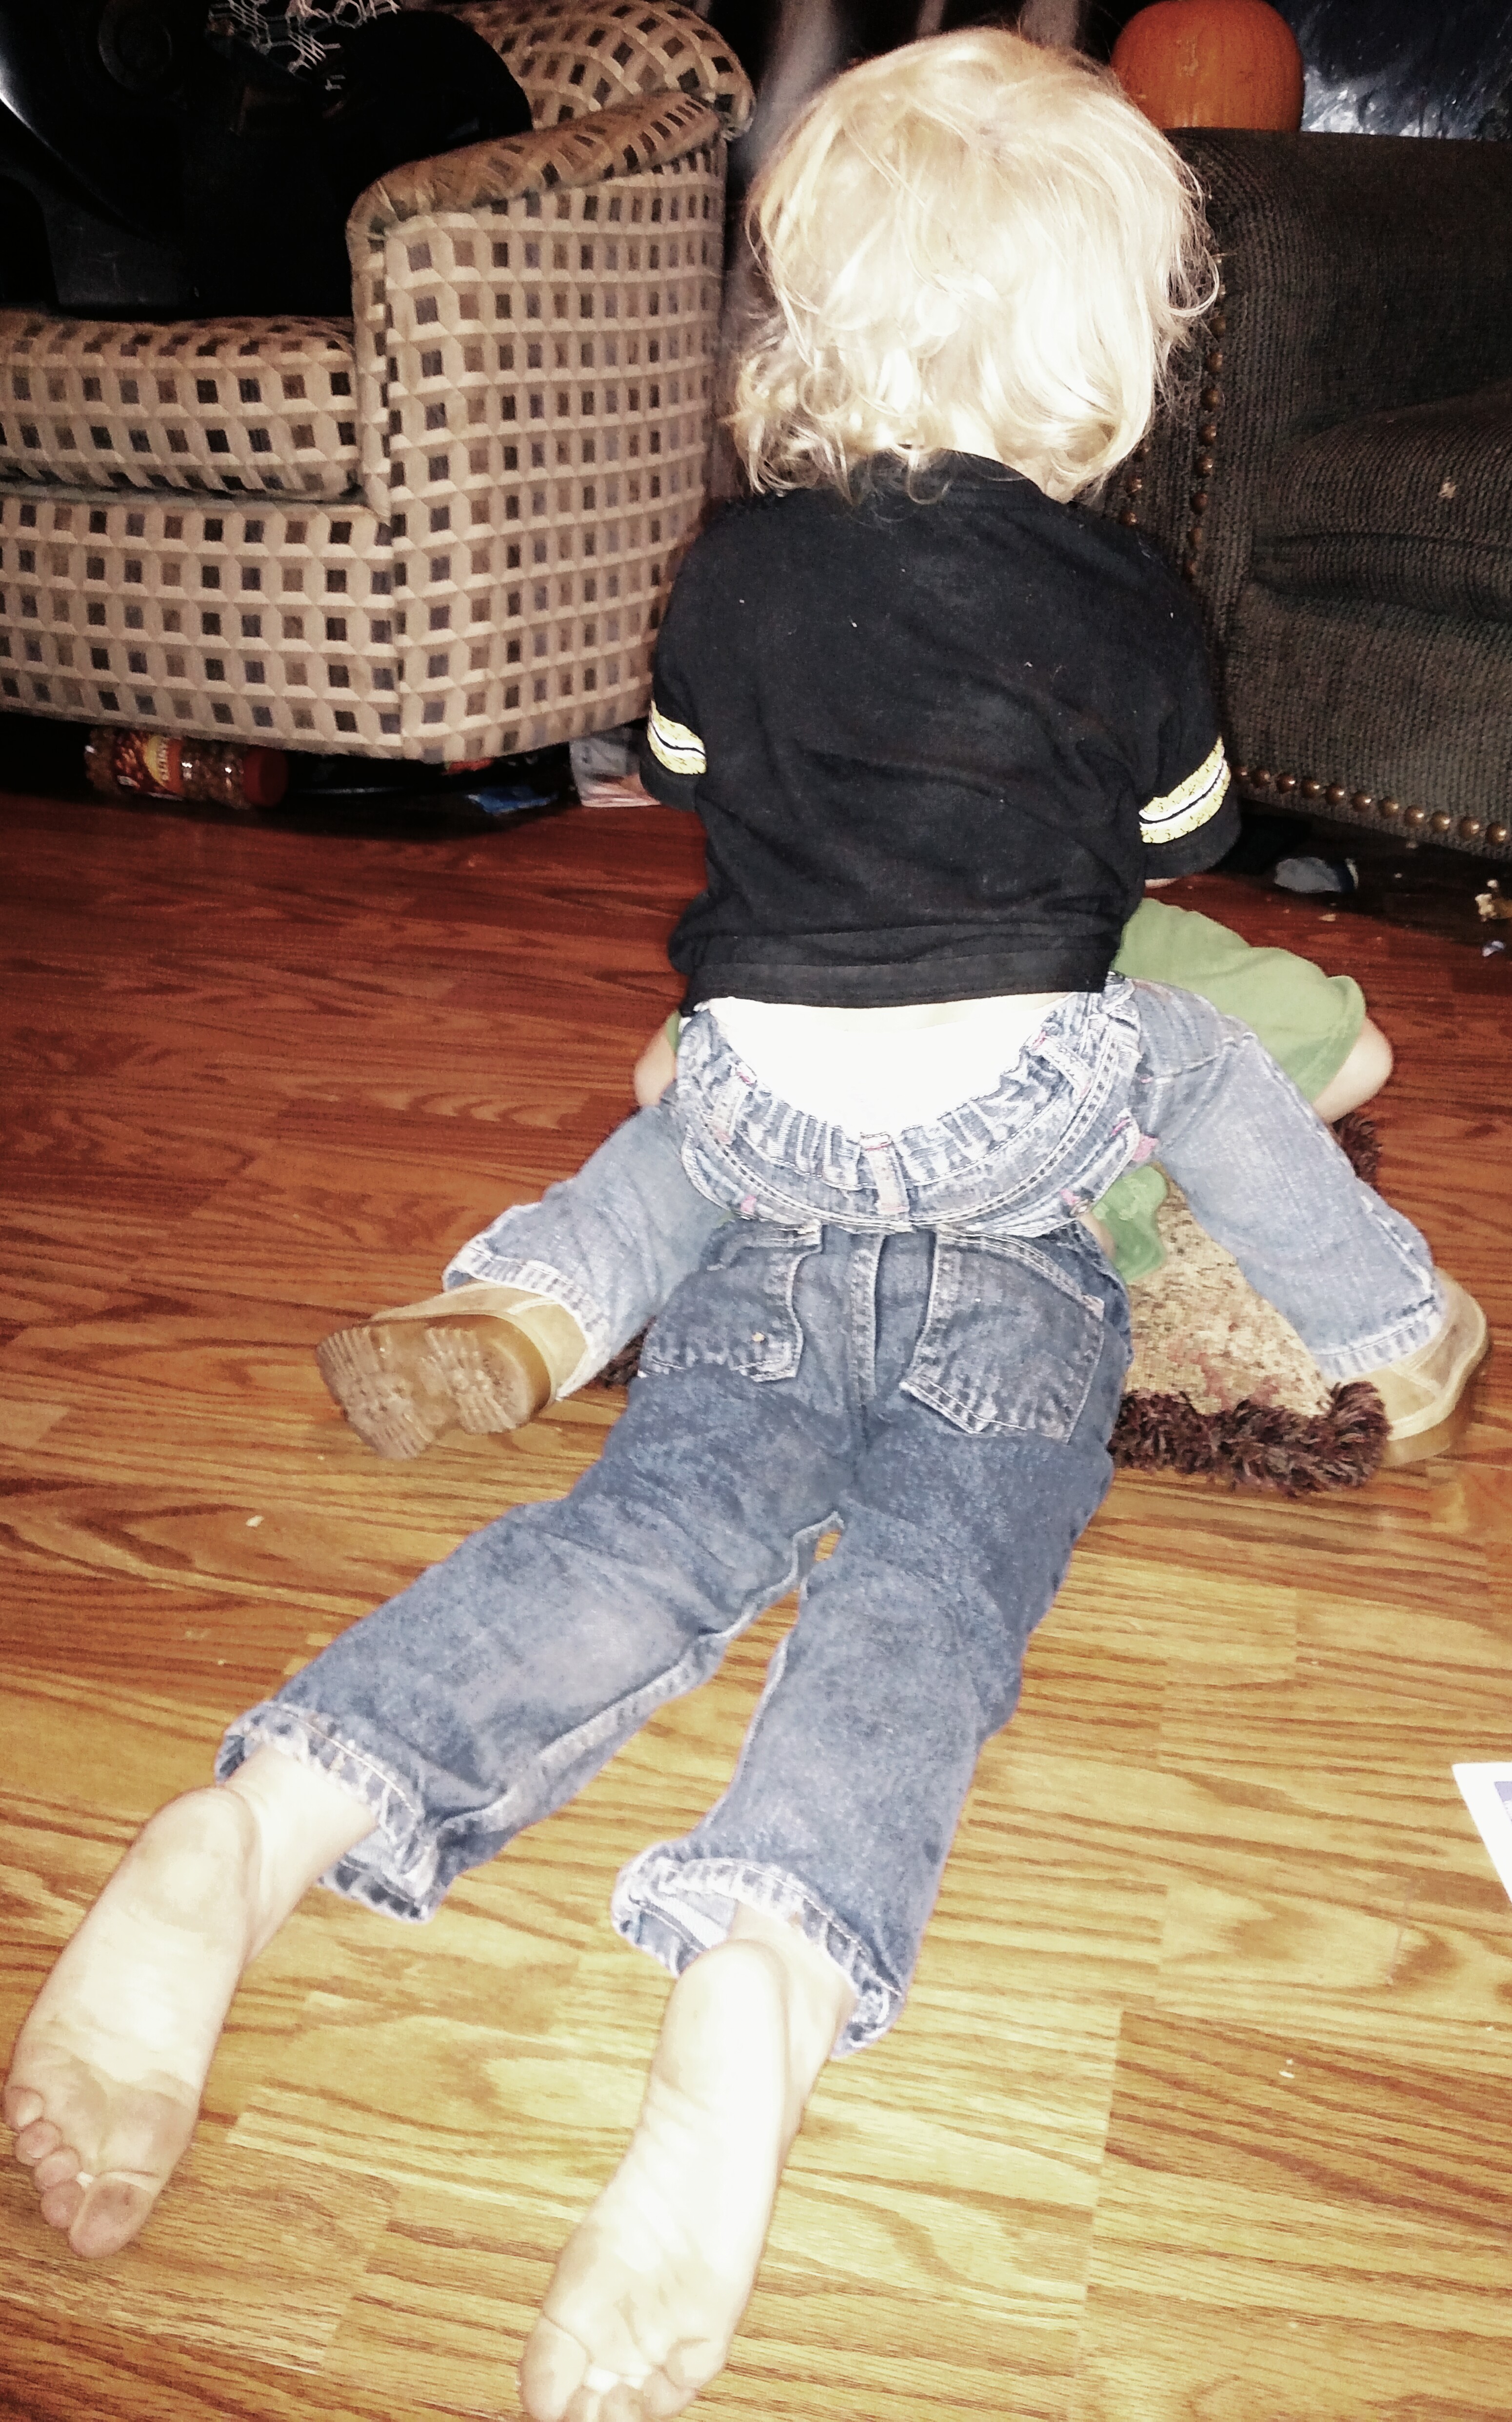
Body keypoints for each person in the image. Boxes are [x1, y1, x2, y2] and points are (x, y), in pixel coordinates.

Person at [4, 31, 1488, 2422]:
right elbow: (1182, 845)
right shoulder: (1124, 602)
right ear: (1107, 353)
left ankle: (257, 1824)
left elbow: (695, 768)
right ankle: (774, 1979)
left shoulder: (729, 574)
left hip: (762, 1158)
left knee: (639, 1537)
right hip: (1012, 1213)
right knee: (944, 1560)